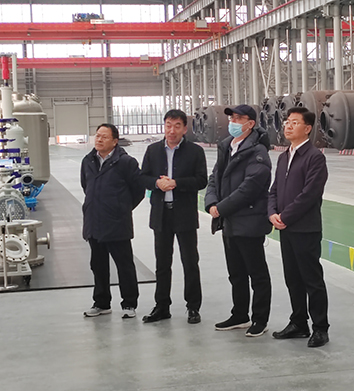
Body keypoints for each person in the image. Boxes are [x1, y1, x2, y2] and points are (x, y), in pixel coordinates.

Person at [205, 104, 273, 337]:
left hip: (249, 221)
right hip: (229, 221)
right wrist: (211, 203)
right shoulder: (227, 147)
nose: (233, 122)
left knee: (257, 273)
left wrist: (221, 208)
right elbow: (214, 178)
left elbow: (250, 188)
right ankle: (240, 314)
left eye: (238, 118)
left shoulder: (257, 152)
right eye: (232, 118)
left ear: (250, 123)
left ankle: (260, 319)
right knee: (236, 273)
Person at [268, 107, 330, 348]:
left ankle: (320, 327)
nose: (288, 125)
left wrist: (285, 215)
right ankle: (298, 322)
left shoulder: (315, 158)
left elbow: (309, 194)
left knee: (311, 279)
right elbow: (274, 190)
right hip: (286, 228)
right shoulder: (284, 157)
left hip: (305, 228)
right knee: (292, 278)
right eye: (287, 121)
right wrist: (272, 213)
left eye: (295, 122)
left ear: (307, 128)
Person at [140, 109, 208, 324]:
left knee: (190, 262)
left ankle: (193, 306)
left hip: (184, 214)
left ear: (184, 129)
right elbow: (142, 177)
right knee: (162, 263)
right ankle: (162, 306)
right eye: (168, 125)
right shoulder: (153, 151)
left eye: (177, 126)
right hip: (161, 214)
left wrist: (177, 183)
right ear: (164, 126)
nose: (172, 130)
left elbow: (201, 180)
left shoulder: (195, 152)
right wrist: (156, 183)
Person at [81, 123, 145, 319]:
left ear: (115, 141)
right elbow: (86, 186)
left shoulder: (126, 163)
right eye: (97, 136)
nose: (99, 139)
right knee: (98, 265)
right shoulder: (88, 161)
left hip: (117, 223)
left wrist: (121, 208)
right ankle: (101, 303)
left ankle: (129, 303)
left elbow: (138, 190)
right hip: (94, 220)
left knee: (124, 265)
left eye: (104, 137)